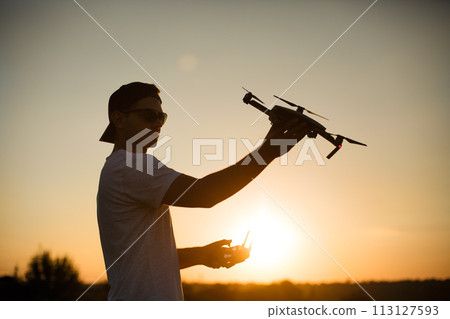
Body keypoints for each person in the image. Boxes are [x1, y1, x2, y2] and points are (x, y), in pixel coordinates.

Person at [97, 82, 308, 300]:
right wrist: (268, 151)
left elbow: (143, 261)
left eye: (162, 117)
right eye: (150, 116)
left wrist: (202, 254)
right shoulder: (128, 165)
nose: (158, 124)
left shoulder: (121, 167)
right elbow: (205, 194)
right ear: (119, 119)